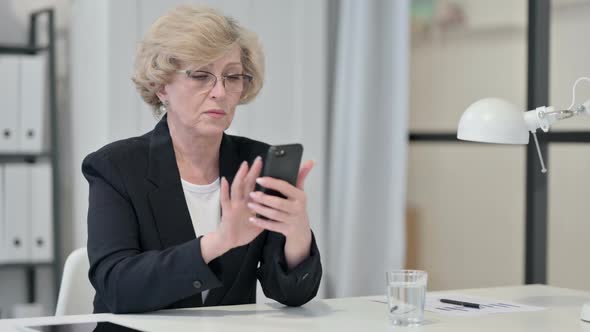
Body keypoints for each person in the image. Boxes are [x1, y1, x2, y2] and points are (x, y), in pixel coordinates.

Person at [82, 4, 322, 314]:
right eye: (201, 75)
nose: (220, 92)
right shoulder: (115, 167)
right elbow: (117, 288)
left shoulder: (256, 162)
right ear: (161, 86)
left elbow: (292, 293)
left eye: (232, 77)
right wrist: (219, 242)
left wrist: (297, 231)